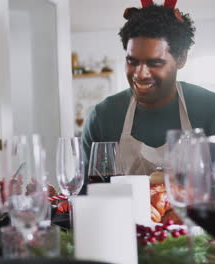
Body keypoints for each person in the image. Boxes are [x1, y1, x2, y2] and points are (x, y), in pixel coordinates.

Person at [82, 0, 215, 182]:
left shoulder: (209, 109)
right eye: (132, 61)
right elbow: (85, 196)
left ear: (181, 58)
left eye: (155, 63)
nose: (140, 74)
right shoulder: (103, 117)